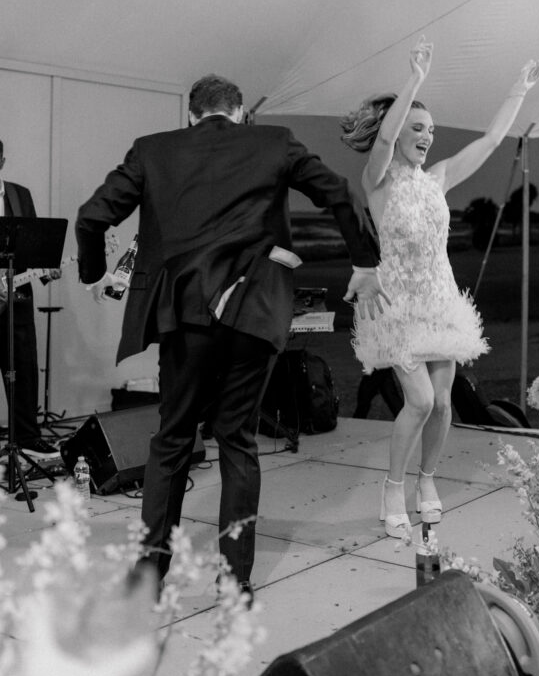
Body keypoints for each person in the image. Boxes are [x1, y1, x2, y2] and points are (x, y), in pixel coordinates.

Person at [76, 74, 388, 594]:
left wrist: (92, 274)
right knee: (237, 440)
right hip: (255, 313)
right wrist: (364, 262)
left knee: (172, 438)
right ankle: (234, 579)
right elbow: (341, 192)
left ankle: (151, 571)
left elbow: (92, 218)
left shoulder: (153, 151)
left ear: (191, 114)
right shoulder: (274, 142)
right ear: (241, 111)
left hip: (186, 316)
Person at [340, 40, 539, 538]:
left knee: (446, 403)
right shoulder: (378, 180)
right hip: (398, 307)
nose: (426, 137)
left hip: (440, 301)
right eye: (417, 127)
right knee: (421, 400)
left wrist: (517, 92)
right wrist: (416, 80)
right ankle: (393, 487)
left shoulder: (439, 178)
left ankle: (426, 481)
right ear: (399, 128)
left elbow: (491, 142)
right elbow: (384, 141)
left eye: (431, 131)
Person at [0, 140, 62, 464]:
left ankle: (27, 438)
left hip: (18, 297)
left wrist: (45, 272)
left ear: (2, 160)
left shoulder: (19, 194)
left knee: (23, 368)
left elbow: (35, 246)